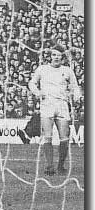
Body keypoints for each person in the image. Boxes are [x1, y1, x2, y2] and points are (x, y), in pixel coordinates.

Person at [28, 45, 81, 175]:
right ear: (50, 56)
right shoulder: (42, 69)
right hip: (47, 105)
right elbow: (32, 83)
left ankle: (61, 166)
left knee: (64, 138)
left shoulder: (67, 70)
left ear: (62, 57)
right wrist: (38, 93)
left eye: (58, 55)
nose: (56, 57)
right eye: (54, 55)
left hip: (62, 105)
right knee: (48, 137)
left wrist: (77, 96)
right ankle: (49, 167)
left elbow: (75, 86)